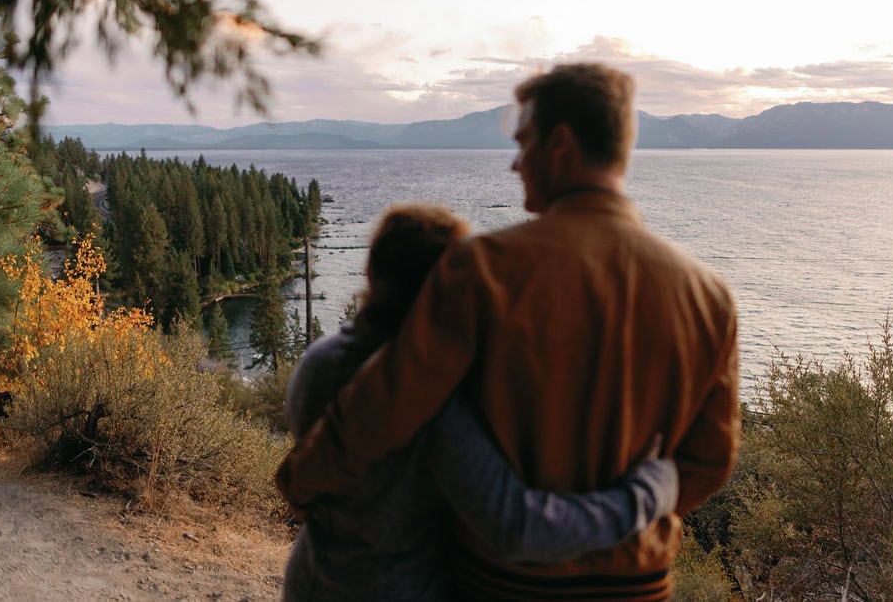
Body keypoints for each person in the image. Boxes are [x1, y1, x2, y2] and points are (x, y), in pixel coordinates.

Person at [277, 64, 741, 601]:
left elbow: (391, 401)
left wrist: (301, 479)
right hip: (639, 585)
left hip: (500, 584)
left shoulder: (484, 270)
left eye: (524, 144)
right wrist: (631, 513)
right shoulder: (709, 297)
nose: (516, 164)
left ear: (561, 143)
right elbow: (710, 461)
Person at [282, 203, 679, 601]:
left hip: (311, 580)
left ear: (371, 272)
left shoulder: (319, 361)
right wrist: (648, 492)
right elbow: (518, 528)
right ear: (454, 287)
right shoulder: (431, 403)